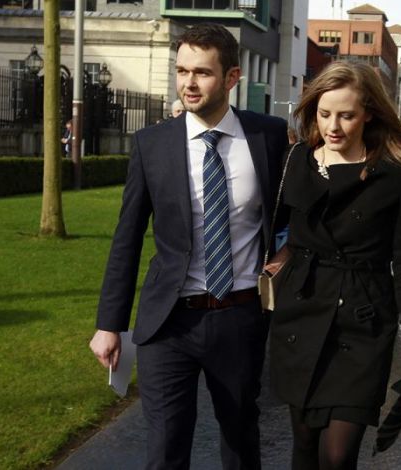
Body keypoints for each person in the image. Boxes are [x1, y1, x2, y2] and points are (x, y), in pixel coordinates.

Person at [89, 23, 288, 470]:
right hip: (168, 322)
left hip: (239, 317)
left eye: (202, 72)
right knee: (165, 447)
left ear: (232, 77)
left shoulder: (268, 137)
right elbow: (127, 238)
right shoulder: (152, 144)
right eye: (181, 71)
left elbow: (288, 218)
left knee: (240, 438)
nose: (189, 83)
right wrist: (109, 324)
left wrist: (283, 263)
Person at [268, 61, 401, 469]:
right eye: (325, 114)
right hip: (303, 312)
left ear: (368, 114)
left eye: (346, 115)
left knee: (337, 456)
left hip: (361, 323)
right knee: (305, 448)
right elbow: (267, 228)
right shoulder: (297, 161)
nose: (333, 126)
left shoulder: (392, 177)